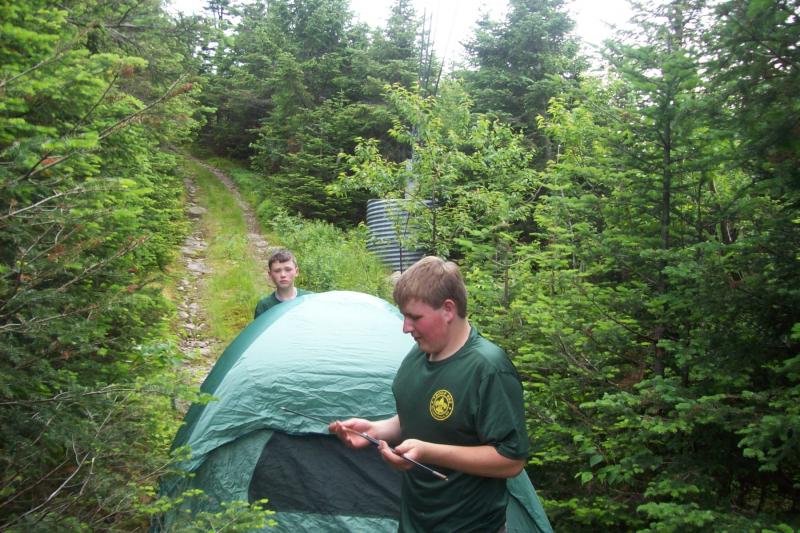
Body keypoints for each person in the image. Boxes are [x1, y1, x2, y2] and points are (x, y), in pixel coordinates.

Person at [329, 256, 530, 532]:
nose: (405, 328)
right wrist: (375, 430)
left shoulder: (488, 368)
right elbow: (424, 418)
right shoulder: (419, 354)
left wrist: (428, 452)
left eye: (415, 317)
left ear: (448, 309)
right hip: (415, 522)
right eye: (404, 316)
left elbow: (511, 461)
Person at [253, 248, 312, 319]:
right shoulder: (264, 306)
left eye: (288, 270)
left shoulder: (310, 299)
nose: (283, 275)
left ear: (296, 272)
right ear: (270, 275)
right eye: (277, 271)